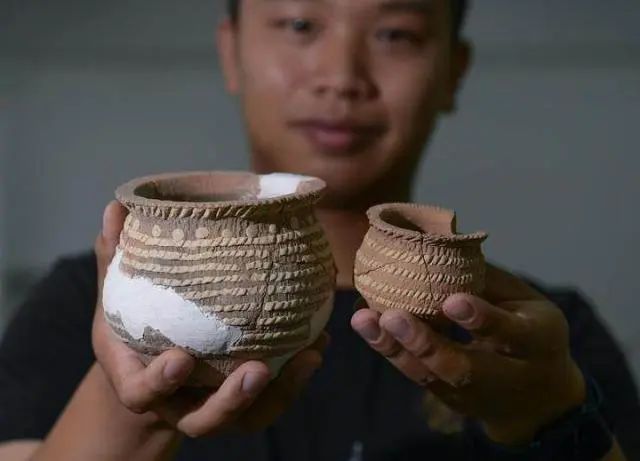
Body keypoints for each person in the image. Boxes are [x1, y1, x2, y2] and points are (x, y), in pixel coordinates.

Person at [0, 0, 638, 459]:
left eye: (395, 33)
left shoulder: (537, 342)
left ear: (454, 70)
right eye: (300, 24)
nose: (341, 77)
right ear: (231, 50)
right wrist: (130, 392)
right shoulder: (81, 305)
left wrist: (552, 415)